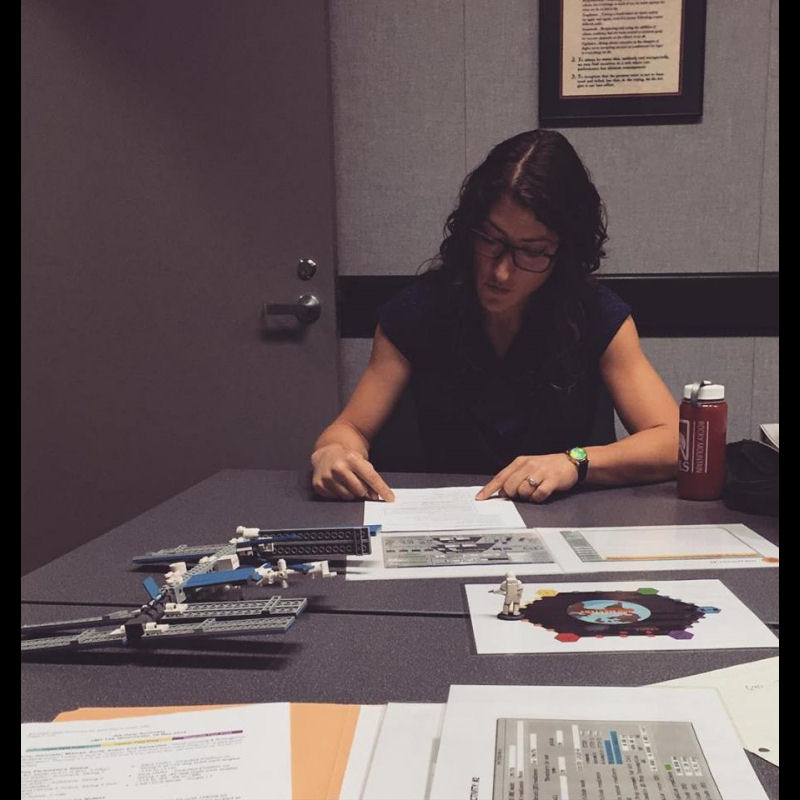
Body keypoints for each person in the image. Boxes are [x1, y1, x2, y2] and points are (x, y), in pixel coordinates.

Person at [310, 129, 678, 503]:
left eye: (531, 251)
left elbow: (672, 441)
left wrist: (574, 462)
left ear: (564, 253)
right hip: (448, 517)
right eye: (490, 239)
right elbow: (350, 428)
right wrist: (332, 453)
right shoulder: (418, 310)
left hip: (565, 518)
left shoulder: (596, 314)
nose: (501, 272)